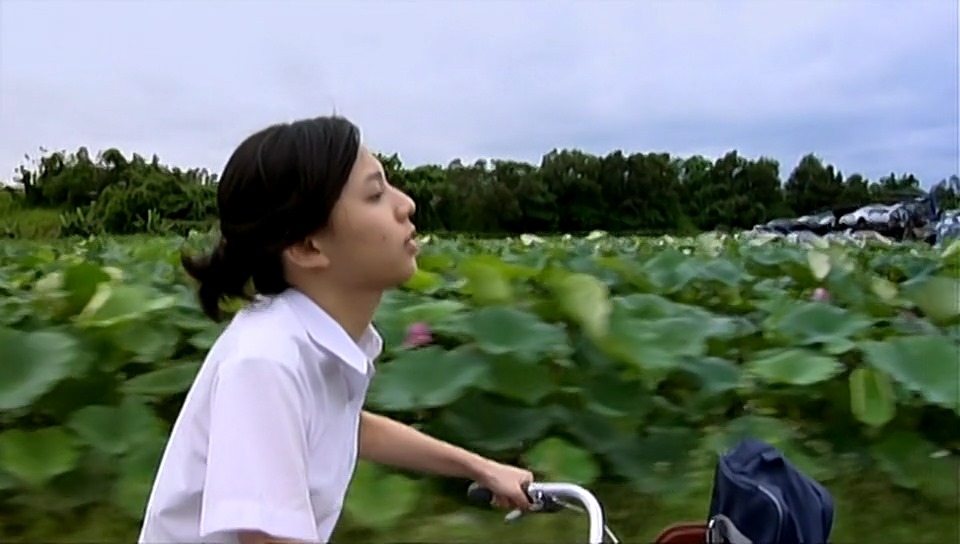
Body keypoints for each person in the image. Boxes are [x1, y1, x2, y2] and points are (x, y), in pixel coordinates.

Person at [138, 116, 534, 544]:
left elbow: (344, 424)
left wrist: (480, 467)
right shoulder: (264, 363)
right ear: (308, 246)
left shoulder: (305, 340)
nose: (406, 204)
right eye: (375, 194)